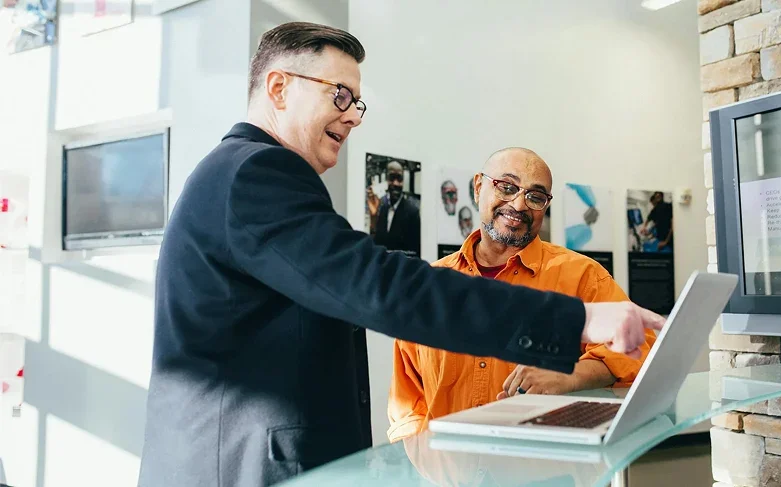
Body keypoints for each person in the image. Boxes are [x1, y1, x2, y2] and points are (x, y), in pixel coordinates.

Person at [138, 22, 664, 487]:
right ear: (278, 87)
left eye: (356, 102)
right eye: (340, 96)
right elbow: (379, 287)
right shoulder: (256, 174)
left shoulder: (240, 174)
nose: (353, 116)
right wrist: (579, 320)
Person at [386, 148, 656, 442]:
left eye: (535, 196)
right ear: (479, 187)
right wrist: (423, 464)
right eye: (507, 186)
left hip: (545, 471)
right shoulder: (431, 286)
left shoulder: (582, 276)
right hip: (448, 474)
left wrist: (570, 375)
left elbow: (642, 349)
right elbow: (407, 402)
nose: (518, 204)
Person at [368, 161, 421, 256]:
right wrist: (374, 217)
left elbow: (415, 252)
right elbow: (377, 244)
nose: (395, 183)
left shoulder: (413, 212)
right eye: (392, 178)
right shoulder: (382, 208)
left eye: (399, 179)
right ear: (386, 180)